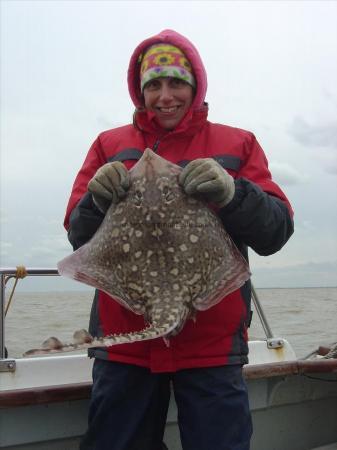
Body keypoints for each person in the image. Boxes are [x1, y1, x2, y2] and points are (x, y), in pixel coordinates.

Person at [64, 29, 294, 450]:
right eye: (154, 85)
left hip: (211, 348)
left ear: (195, 85)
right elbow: (78, 237)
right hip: (125, 350)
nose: (165, 95)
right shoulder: (109, 145)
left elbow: (276, 230)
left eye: (176, 83)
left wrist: (232, 192)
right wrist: (97, 199)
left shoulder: (237, 144)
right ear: (140, 90)